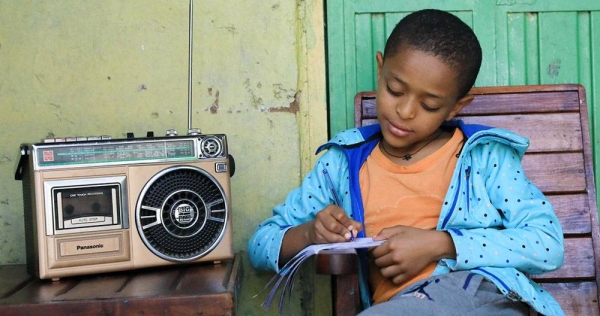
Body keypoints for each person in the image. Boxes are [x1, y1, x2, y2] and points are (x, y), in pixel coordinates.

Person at [248, 8, 564, 316]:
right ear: (380, 70)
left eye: (429, 105)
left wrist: (441, 245)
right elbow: (260, 245)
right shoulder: (343, 164)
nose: (406, 111)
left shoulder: (484, 158)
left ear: (456, 107)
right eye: (394, 90)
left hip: (481, 293)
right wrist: (310, 235)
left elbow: (547, 245)